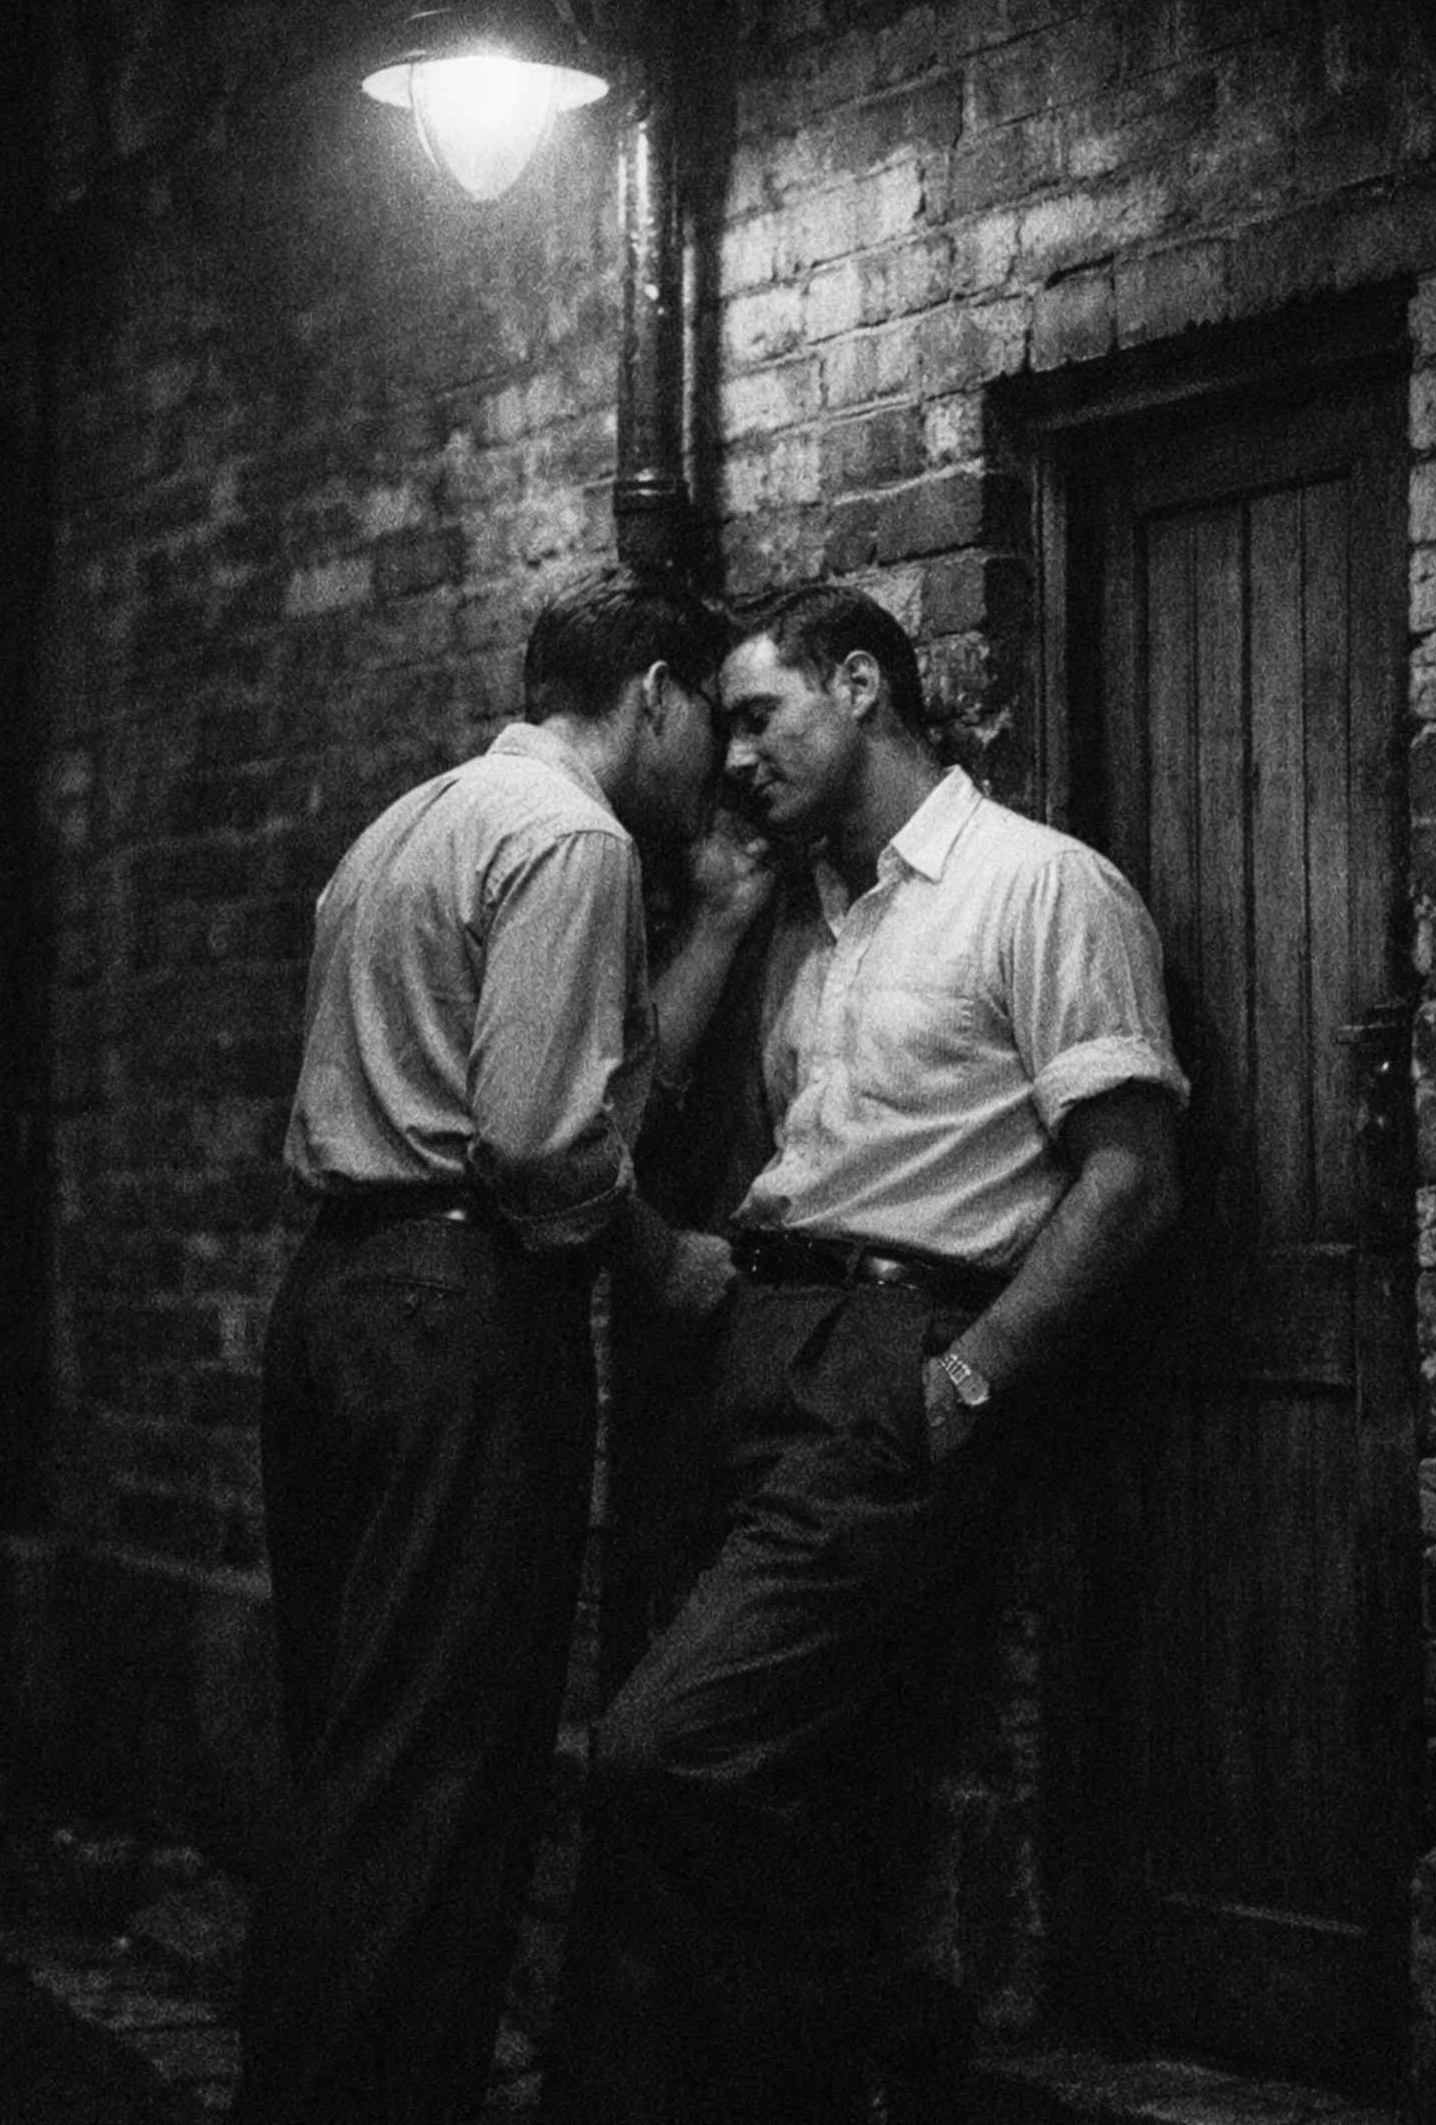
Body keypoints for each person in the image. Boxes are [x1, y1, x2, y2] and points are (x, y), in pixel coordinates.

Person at [538, 583, 1188, 2125]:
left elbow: (1130, 1179)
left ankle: (885, 2031)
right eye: (722, 727)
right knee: (743, 1772)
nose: (731, 758)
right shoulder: (799, 919)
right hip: (750, 1346)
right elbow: (630, 1115)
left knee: (659, 1751)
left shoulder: (1038, 885)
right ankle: (808, 2072)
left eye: (759, 717)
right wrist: (721, 916)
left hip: (895, 1354)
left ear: (860, 687)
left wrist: (970, 1377)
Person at [229, 570, 748, 2125]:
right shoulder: (578, 841)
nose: (721, 762)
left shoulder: (407, 827)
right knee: (442, 1781)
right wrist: (662, 1261)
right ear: (654, 694)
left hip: (335, 1300)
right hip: (462, 1316)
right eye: (712, 720)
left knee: (350, 1756)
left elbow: (557, 1083)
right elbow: (536, 1143)